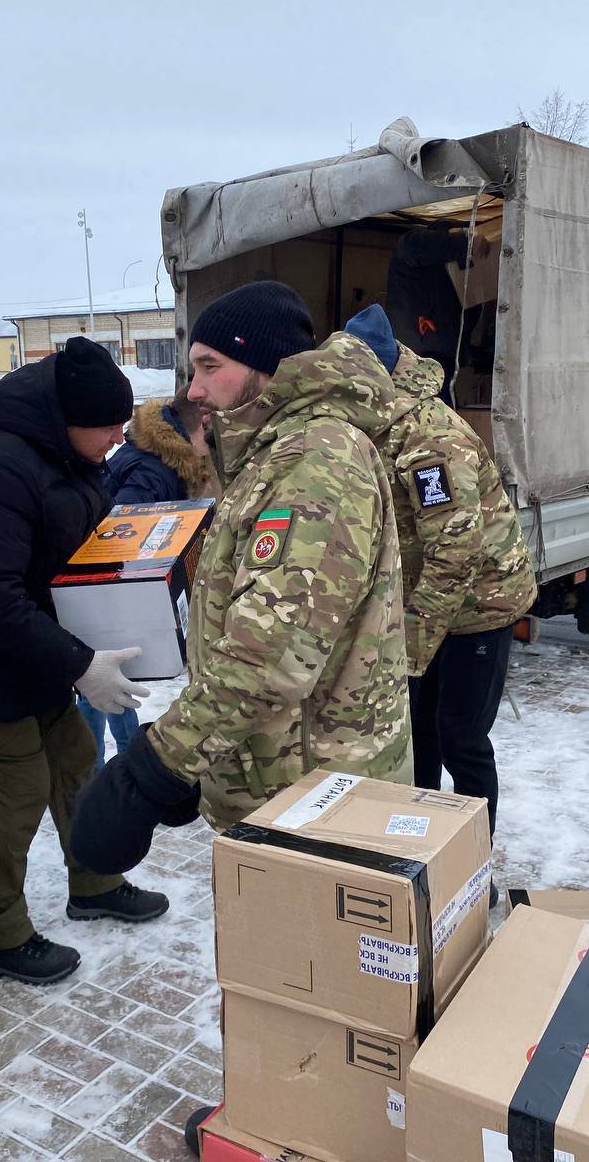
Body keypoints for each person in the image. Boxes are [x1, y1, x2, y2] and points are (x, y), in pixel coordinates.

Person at [70, 279, 412, 880]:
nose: (193, 389)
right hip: (286, 787)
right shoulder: (273, 452)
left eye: (210, 366)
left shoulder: (316, 464)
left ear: (266, 367)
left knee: (307, 970)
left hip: (319, 804)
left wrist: (155, 766)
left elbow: (268, 658)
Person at [0, 336, 169, 986]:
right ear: (69, 421)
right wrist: (81, 663)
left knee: (76, 760)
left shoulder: (59, 451)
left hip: (38, 651)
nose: (117, 440)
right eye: (108, 428)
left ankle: (93, 884)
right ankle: (0, 932)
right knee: (20, 788)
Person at [345, 303, 537, 902]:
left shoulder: (428, 438)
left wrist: (410, 649)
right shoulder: (379, 419)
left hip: (481, 606)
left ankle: (474, 864)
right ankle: (417, 848)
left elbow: (456, 553)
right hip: (430, 602)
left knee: (460, 738)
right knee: (418, 733)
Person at [77, 385, 212, 766]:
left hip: (107, 594)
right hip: (107, 592)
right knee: (99, 685)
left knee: (112, 683)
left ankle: (116, 760)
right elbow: (118, 535)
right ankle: (98, 771)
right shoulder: (153, 470)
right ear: (195, 428)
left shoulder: (155, 452)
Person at [385, 224, 490, 404]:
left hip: (438, 353)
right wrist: (464, 244)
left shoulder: (442, 271)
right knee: (427, 409)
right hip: (422, 349)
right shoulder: (412, 247)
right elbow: (417, 245)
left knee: (436, 409)